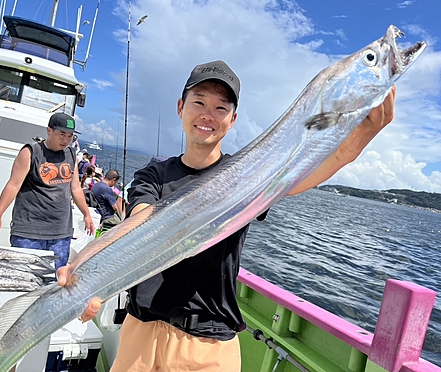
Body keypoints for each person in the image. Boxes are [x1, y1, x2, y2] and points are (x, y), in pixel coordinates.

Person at [58, 60, 396, 371]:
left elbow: (307, 173)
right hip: (141, 334)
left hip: (209, 347)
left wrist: (359, 138)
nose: (209, 113)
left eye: (221, 107)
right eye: (199, 102)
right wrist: (89, 263)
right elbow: (141, 222)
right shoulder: (154, 175)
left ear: (232, 120)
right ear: (181, 108)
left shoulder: (247, 177)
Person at [0, 112, 96, 269]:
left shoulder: (71, 154)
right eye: (62, 134)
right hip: (28, 232)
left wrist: (86, 214)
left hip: (61, 233)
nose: (66, 140)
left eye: (70, 136)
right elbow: (13, 185)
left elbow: (75, 187)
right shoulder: (31, 152)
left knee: (55, 280)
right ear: (49, 130)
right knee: (24, 277)